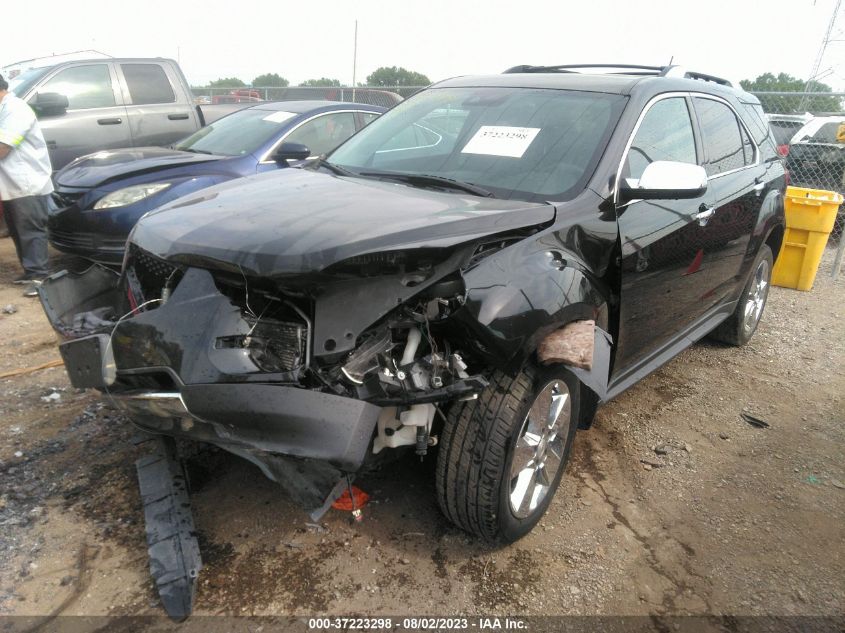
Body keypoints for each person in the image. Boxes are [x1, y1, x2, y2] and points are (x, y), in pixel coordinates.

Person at [0, 73, 53, 297]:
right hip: (12, 184)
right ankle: (30, 271)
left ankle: (40, 277)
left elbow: (3, 147)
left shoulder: (16, 109)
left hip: (27, 183)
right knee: (17, 230)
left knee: (30, 231)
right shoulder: (4, 110)